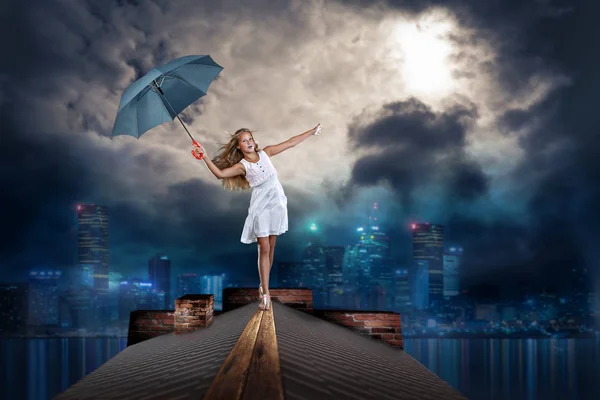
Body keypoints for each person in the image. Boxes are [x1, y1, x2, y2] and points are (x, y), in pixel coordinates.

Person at [192, 124, 322, 310]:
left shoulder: (266, 153)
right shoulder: (241, 166)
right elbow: (220, 174)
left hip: (277, 203)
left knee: (272, 246)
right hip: (260, 207)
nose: (249, 142)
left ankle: (263, 285)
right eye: (244, 141)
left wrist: (312, 131)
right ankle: (266, 294)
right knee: (264, 247)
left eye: (250, 138)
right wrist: (204, 156)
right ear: (239, 147)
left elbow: (291, 142)